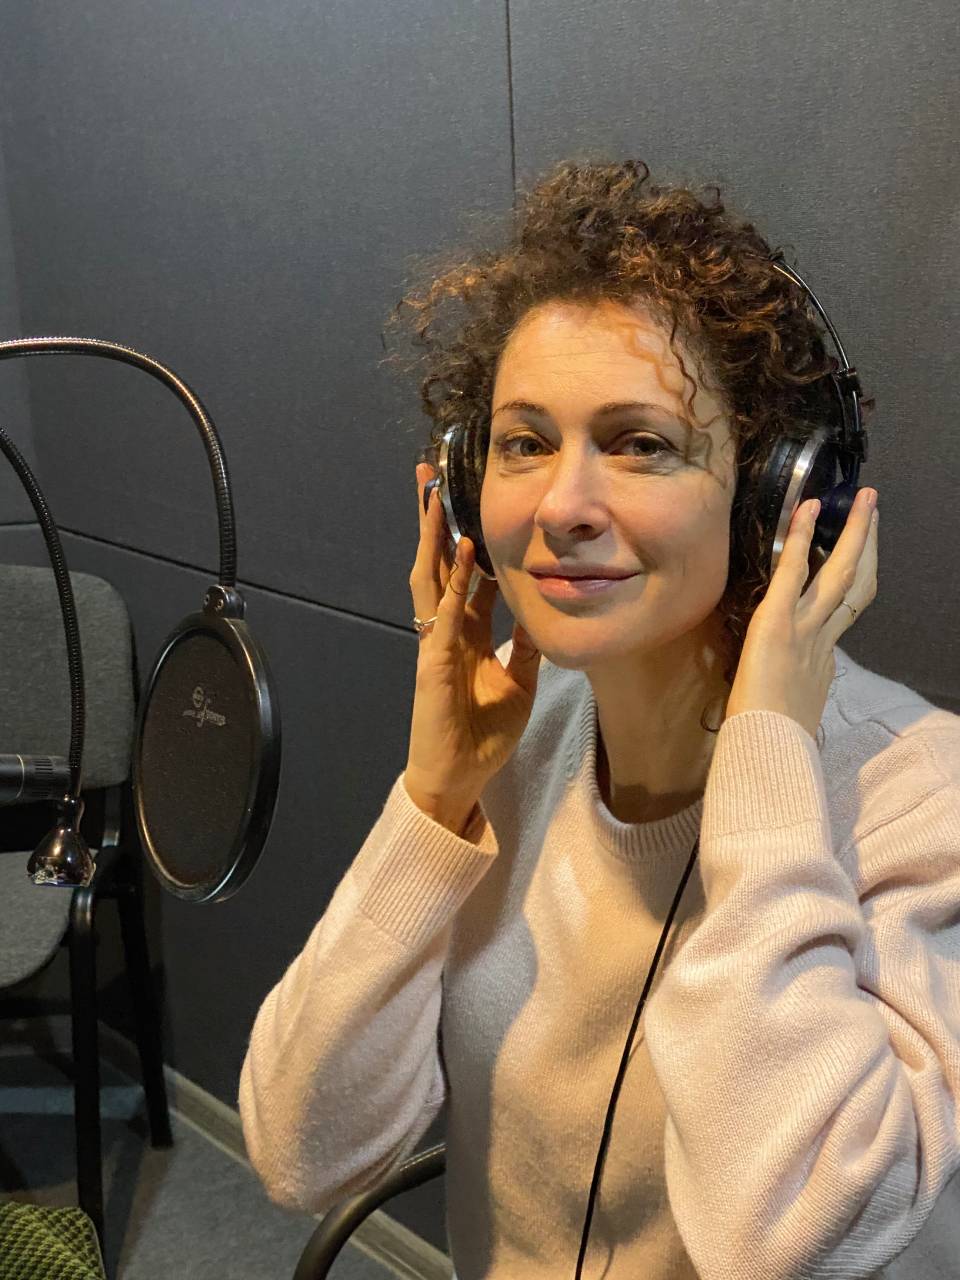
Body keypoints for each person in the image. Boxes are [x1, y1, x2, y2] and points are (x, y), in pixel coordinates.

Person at [239, 159, 960, 1279]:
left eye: (640, 444)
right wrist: (432, 804)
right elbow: (302, 1149)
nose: (563, 506)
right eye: (525, 442)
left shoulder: (919, 798)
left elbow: (794, 1241)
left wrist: (768, 779)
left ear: (776, 497)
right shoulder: (515, 740)